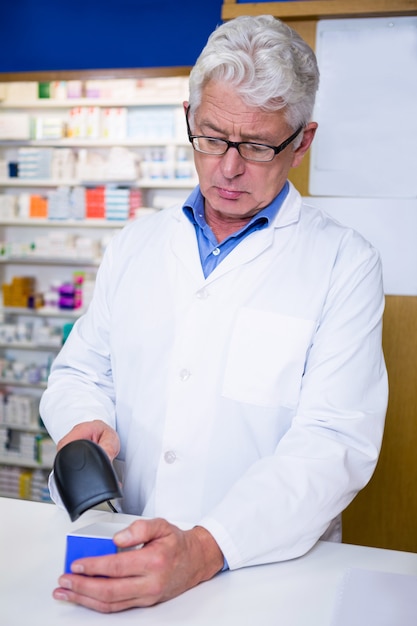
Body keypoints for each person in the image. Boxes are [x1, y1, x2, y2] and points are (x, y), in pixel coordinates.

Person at [40, 14, 388, 613]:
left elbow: (333, 443)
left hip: (263, 579)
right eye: (211, 137)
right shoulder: (135, 245)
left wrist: (206, 547)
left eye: (256, 146)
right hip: (123, 546)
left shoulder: (344, 264)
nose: (228, 168)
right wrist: (84, 421)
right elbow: (79, 373)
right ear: (189, 120)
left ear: (302, 142)